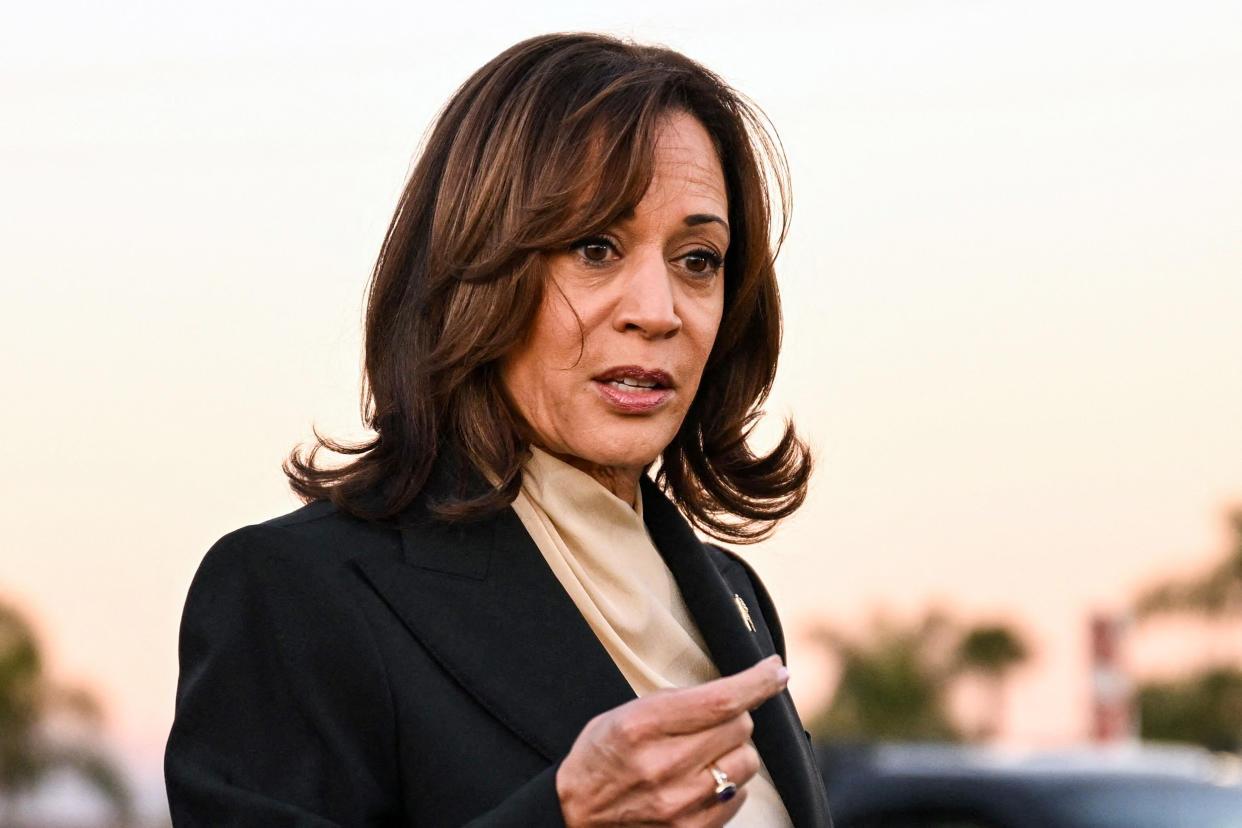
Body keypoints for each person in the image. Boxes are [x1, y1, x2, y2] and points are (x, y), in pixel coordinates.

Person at [165, 32, 832, 827]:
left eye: (698, 259)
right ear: (476, 264)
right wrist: (563, 817)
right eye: (596, 247)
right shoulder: (294, 594)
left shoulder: (732, 597)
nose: (657, 311)